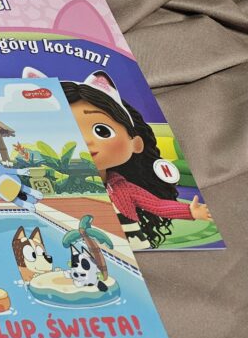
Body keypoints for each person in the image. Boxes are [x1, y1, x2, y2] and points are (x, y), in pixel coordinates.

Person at [62, 71, 212, 249]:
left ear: (136, 144)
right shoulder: (64, 185)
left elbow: (157, 206)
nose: (85, 141)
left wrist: (190, 211)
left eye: (102, 131)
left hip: (131, 242)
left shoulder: (123, 188)